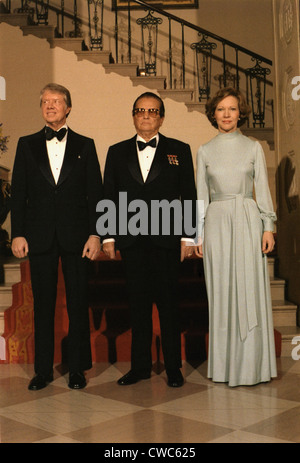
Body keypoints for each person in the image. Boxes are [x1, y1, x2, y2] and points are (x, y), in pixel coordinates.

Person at [11, 83, 103, 390]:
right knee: (43, 305)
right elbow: (19, 193)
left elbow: (96, 194)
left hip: (78, 237)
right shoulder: (26, 145)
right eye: (46, 102)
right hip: (38, 236)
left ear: (68, 108)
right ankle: (42, 371)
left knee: (78, 303)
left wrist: (96, 234)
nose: (50, 106)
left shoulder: (86, 145)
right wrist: (18, 233)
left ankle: (77, 369)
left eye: (57, 101)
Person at [102, 92, 197, 387]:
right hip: (131, 242)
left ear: (162, 117)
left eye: (152, 111)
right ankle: (140, 367)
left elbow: (189, 195)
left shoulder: (179, 150)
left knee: (169, 305)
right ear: (133, 116)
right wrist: (108, 235)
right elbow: (109, 195)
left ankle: (173, 368)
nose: (146, 115)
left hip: (166, 241)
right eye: (141, 110)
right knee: (138, 305)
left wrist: (189, 236)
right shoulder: (116, 152)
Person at [195, 87, 277, 387]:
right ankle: (226, 366)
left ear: (240, 112)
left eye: (232, 109)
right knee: (221, 292)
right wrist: (197, 236)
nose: (227, 114)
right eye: (221, 109)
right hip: (216, 224)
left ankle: (253, 366)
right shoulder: (204, 150)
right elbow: (200, 197)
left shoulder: (253, 147)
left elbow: (263, 191)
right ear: (213, 114)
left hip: (246, 220)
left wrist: (268, 226)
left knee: (249, 292)